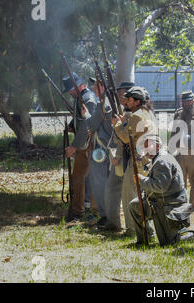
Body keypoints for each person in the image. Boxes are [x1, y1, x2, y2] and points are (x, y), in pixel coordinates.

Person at [129, 135, 194, 246]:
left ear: (157, 146)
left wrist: (141, 180)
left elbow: (160, 186)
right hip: (157, 202)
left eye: (148, 146)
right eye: (145, 146)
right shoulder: (156, 159)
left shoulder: (162, 161)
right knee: (135, 205)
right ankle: (145, 237)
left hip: (169, 205)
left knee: (170, 242)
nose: (145, 149)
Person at [112, 86, 157, 236]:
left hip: (137, 159)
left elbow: (126, 137)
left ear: (137, 101)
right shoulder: (147, 113)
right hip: (146, 159)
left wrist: (117, 124)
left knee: (129, 193)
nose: (126, 101)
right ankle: (146, 227)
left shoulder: (136, 116)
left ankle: (132, 229)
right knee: (142, 194)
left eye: (129, 99)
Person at [88, 77, 123, 230]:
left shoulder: (103, 103)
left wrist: (85, 115)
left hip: (103, 148)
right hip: (110, 148)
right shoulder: (109, 102)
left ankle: (105, 215)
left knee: (100, 183)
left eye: (95, 87)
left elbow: (92, 124)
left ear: (102, 86)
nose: (93, 90)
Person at [63, 73, 97, 222]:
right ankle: (84, 208)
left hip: (86, 144)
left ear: (78, 86)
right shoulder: (80, 98)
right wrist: (71, 126)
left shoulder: (87, 99)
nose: (70, 92)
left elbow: (86, 125)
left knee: (78, 178)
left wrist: (74, 146)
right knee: (83, 177)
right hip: (84, 143)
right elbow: (79, 119)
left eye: (71, 89)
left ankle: (78, 212)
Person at [170, 90, 194, 212]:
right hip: (181, 153)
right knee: (179, 181)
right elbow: (173, 132)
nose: (185, 103)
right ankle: (180, 204)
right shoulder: (178, 114)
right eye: (183, 101)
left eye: (187, 101)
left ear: (193, 101)